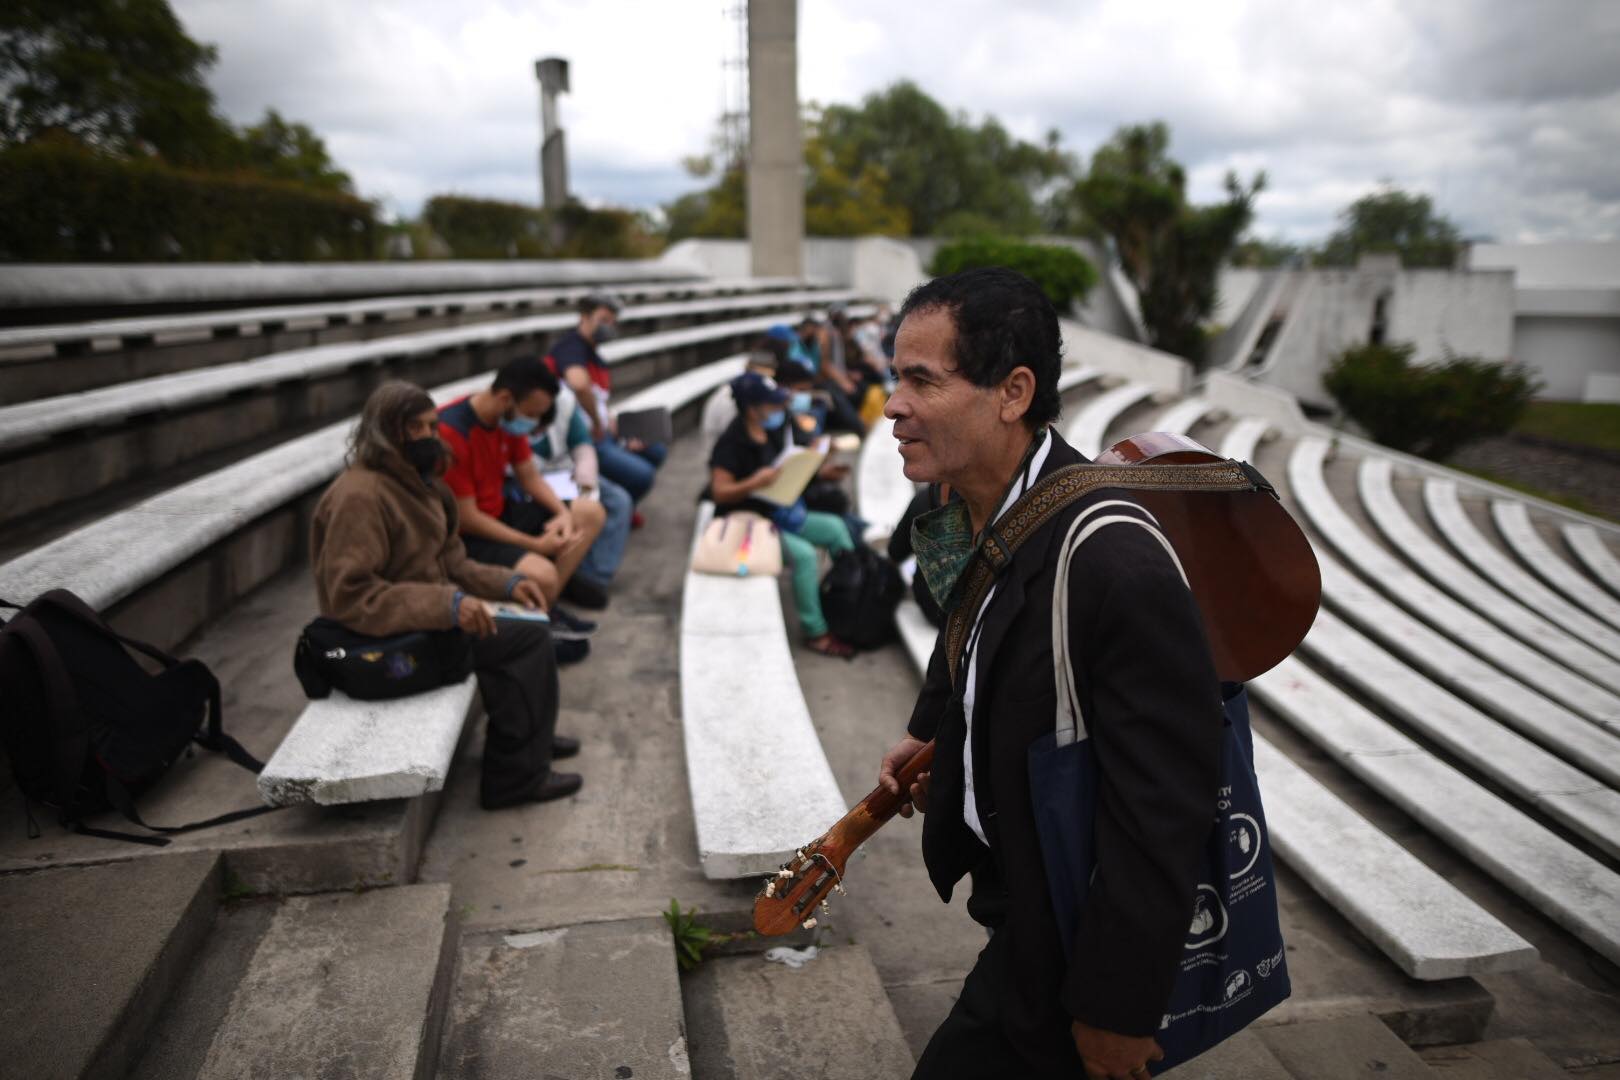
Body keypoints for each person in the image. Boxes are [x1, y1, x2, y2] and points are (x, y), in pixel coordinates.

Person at [875, 267, 1222, 1079]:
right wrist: (929, 726)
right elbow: (967, 628)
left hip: (1070, 916)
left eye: (921, 380)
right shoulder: (947, 504)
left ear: (1013, 391)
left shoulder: (1117, 563)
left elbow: (1166, 802)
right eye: (896, 378)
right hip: (1016, 892)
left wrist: (1116, 1004)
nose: (893, 405)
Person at [310, 381, 583, 808]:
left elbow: (454, 563)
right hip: (381, 646)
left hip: (424, 623)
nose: (428, 437)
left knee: (529, 622)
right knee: (526, 640)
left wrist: (507, 584)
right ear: (384, 431)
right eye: (413, 428)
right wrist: (448, 605)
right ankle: (515, 779)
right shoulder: (359, 496)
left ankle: (532, 744)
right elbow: (351, 598)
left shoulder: (422, 485)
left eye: (432, 426)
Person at [438, 358, 606, 656]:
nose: (531, 423)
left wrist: (563, 514)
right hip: (466, 535)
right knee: (543, 575)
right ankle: (539, 619)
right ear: (505, 399)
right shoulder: (452, 433)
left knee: (589, 512)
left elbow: (529, 476)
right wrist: (535, 545)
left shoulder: (506, 422)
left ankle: (545, 608)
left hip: (500, 511)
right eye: (531, 414)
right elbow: (468, 518)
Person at [707, 371, 858, 659]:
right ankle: (816, 631)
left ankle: (846, 600)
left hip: (780, 512)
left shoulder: (774, 431)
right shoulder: (732, 442)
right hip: (749, 521)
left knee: (836, 528)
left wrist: (819, 470)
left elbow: (786, 472)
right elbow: (719, 493)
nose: (779, 409)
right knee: (803, 555)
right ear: (753, 407)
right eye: (772, 404)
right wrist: (754, 483)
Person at [513, 363, 631, 600]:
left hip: (565, 472)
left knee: (618, 500)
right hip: (524, 485)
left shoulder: (564, 402)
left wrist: (586, 481)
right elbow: (525, 477)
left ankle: (591, 577)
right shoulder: (508, 422)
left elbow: (583, 446)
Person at [546, 293, 668, 513]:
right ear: (584, 317)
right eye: (603, 319)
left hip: (602, 427)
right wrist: (596, 422)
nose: (609, 326)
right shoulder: (571, 347)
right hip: (584, 437)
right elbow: (579, 384)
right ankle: (620, 509)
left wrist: (609, 421)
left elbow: (597, 396)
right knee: (642, 475)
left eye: (613, 321)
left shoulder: (593, 352)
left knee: (656, 442)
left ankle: (625, 506)